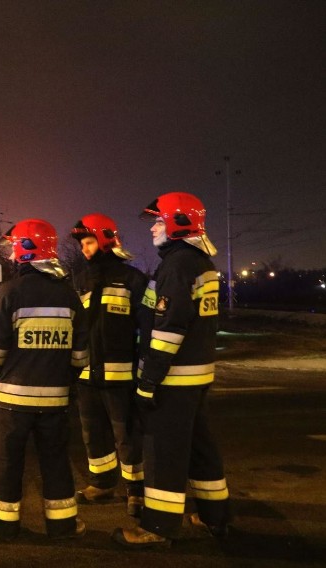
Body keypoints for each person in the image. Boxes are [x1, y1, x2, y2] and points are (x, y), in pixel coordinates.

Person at [113, 192, 232, 548]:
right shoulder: (199, 262)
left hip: (173, 379)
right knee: (199, 447)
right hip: (195, 377)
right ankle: (216, 517)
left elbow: (167, 330)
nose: (153, 227)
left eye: (159, 220)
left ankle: (159, 526)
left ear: (179, 224)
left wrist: (149, 379)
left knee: (163, 451)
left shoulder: (178, 265)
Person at [0, 218, 89, 540]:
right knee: (55, 461)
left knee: (7, 463)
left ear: (25, 250)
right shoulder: (69, 296)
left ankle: (3, 526)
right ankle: (63, 525)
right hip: (56, 400)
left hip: (13, 401)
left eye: (15, 248)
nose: (12, 255)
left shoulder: (12, 291)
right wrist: (67, 379)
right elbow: (81, 353)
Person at [70, 213, 148, 517]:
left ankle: (136, 492)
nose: (84, 249)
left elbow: (146, 327)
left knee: (127, 436)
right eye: (82, 244)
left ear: (104, 241)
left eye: (88, 242)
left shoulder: (134, 279)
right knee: (93, 432)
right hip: (87, 374)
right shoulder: (80, 279)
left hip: (121, 375)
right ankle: (101, 484)